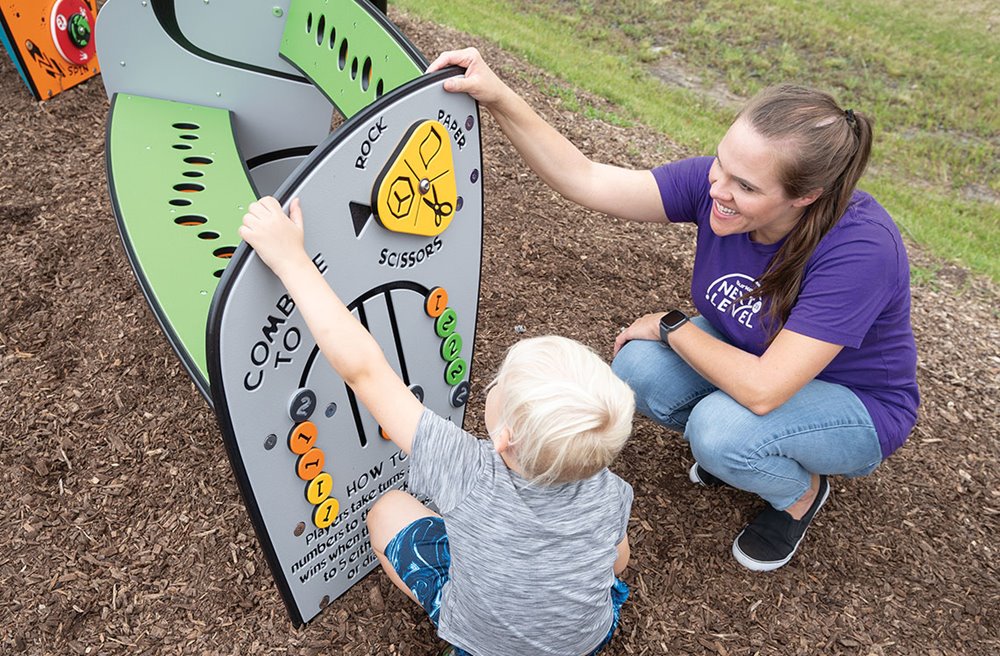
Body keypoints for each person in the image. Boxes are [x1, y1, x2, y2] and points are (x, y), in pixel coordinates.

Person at [427, 48, 919, 572]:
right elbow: (587, 180)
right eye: (721, 165)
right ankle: (743, 453)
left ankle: (800, 493)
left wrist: (671, 325)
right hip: (751, 355)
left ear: (806, 196)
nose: (718, 191)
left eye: (745, 187)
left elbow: (764, 388)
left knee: (719, 432)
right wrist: (496, 94)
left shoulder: (861, 250)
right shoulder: (721, 186)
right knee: (636, 368)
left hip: (858, 405)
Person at [239, 196, 636, 655]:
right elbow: (616, 560)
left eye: (499, 384)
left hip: (483, 645)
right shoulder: (609, 491)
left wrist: (291, 260)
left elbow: (364, 369)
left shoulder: (469, 471)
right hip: (582, 641)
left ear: (505, 437)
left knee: (386, 509)